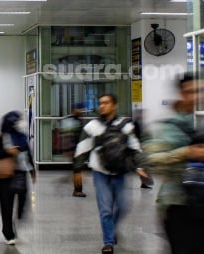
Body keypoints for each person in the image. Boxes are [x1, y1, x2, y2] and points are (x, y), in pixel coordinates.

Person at [74, 93, 147, 254]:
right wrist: (78, 169)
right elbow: (82, 147)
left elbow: (135, 146)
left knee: (122, 205)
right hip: (100, 173)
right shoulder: (92, 125)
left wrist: (140, 166)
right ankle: (108, 241)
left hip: (120, 172)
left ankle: (111, 228)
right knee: (106, 208)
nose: (102, 106)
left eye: (106, 103)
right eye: (100, 103)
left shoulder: (125, 125)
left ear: (115, 105)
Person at [144, 73, 204, 253]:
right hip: (177, 205)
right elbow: (152, 160)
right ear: (181, 93)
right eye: (190, 91)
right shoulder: (168, 125)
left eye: (199, 91)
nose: (195, 96)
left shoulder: (197, 122)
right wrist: (186, 152)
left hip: (199, 202)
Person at [0, 111, 36, 244]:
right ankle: (8, 233)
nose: (19, 124)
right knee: (6, 206)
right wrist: (7, 152)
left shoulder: (22, 136)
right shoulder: (2, 137)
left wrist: (32, 170)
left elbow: (28, 153)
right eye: (16, 121)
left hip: (20, 173)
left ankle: (18, 217)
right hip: (4, 176)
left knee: (23, 197)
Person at [56, 103, 87, 197]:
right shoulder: (69, 120)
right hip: (74, 149)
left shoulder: (78, 120)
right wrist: (68, 149)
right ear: (74, 110)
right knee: (77, 170)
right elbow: (67, 136)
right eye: (79, 109)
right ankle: (77, 190)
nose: (81, 111)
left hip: (79, 148)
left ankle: (77, 189)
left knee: (77, 169)